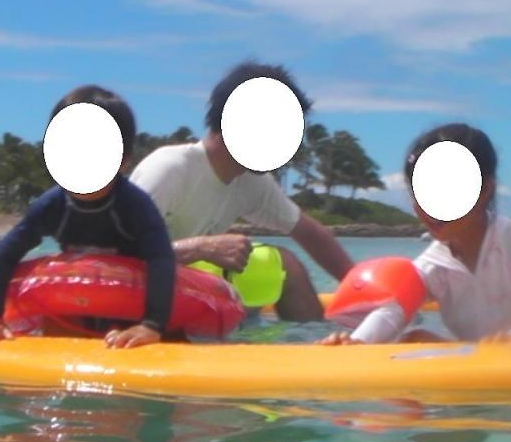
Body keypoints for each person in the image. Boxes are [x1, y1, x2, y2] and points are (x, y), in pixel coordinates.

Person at [320, 123, 511, 345]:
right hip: (478, 367)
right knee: (413, 339)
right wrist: (357, 342)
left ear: (484, 190)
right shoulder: (432, 266)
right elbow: (393, 313)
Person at [129, 61, 354, 321]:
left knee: (285, 265)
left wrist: (361, 285)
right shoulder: (170, 168)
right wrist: (201, 248)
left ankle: (314, 344)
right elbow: (119, 251)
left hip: (187, 287)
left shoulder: (250, 182)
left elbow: (309, 232)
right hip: (135, 296)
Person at [0, 85, 176, 349]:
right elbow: (5, 255)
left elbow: (161, 259)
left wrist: (152, 325)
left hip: (128, 307)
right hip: (77, 303)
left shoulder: (135, 206)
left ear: (124, 161)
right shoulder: (51, 206)